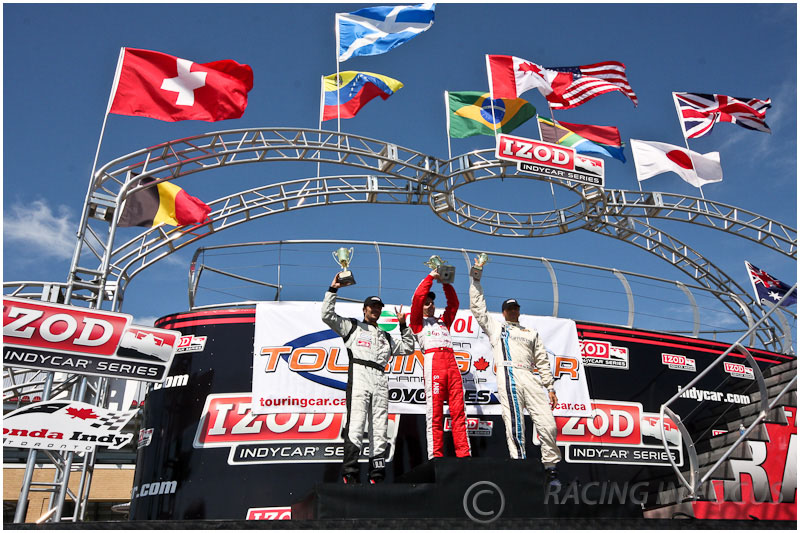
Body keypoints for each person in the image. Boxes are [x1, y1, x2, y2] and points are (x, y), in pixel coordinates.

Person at [468, 264, 562, 488]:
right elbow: (478, 309)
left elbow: (542, 360)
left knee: (548, 425)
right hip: (508, 373)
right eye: (509, 308)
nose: (512, 311)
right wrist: (476, 280)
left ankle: (551, 469)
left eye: (515, 308)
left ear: (519, 311)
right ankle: (519, 466)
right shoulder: (496, 328)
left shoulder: (530, 332)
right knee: (515, 424)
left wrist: (549, 387)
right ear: (503, 312)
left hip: (529, 375)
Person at [321, 273, 415, 484]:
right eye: (371, 306)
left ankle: (377, 475)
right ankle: (350, 473)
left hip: (381, 379)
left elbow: (408, 348)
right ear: (364, 309)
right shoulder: (352, 327)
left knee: (380, 429)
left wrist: (402, 325)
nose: (375, 310)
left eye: (378, 307)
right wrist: (333, 289)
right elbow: (327, 315)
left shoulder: (386, 336)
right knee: (356, 424)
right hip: (360, 377)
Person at [409, 270, 472, 459]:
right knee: (435, 413)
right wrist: (429, 278)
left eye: (432, 302)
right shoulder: (417, 323)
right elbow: (417, 298)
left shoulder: (443, 322)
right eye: (426, 303)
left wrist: (445, 282)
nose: (430, 305)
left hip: (452, 364)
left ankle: (464, 454)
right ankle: (436, 456)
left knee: (459, 411)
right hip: (433, 363)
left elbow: (454, 304)